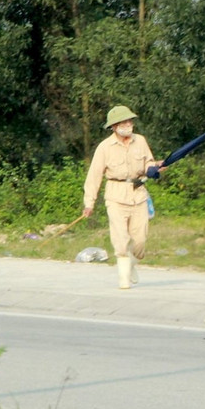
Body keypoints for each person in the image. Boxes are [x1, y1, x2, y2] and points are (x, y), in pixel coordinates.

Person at [82, 105, 165, 289]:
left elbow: (148, 162)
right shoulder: (104, 148)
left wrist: (153, 168)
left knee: (140, 240)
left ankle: (132, 263)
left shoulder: (140, 141)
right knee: (120, 239)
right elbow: (94, 176)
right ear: (114, 126)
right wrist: (89, 203)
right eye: (123, 122)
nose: (128, 124)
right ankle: (124, 280)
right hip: (115, 195)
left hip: (138, 194)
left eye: (130, 121)